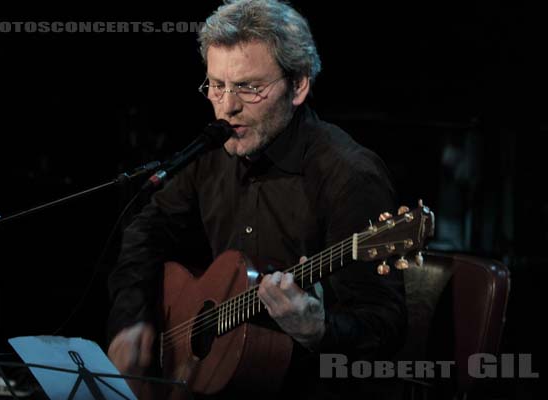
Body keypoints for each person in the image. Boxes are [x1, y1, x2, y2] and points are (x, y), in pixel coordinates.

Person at [107, 0, 406, 398]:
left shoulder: (350, 175)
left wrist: (320, 330)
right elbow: (145, 230)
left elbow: (385, 324)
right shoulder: (214, 150)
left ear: (297, 85)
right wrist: (132, 320)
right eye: (217, 85)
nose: (227, 106)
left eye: (249, 87)